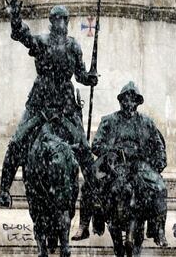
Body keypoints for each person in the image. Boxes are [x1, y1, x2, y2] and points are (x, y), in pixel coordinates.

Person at [0, 0, 99, 210]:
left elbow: (79, 75)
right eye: (57, 19)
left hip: (65, 103)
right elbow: (24, 37)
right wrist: (16, 19)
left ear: (67, 22)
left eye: (64, 19)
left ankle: (96, 192)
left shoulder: (74, 46)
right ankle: (4, 191)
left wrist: (89, 78)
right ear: (51, 22)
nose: (60, 23)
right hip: (40, 102)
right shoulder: (42, 42)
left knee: (82, 146)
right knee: (17, 142)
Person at [72, 81, 168, 247]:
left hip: (139, 164)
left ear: (138, 102)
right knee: (89, 183)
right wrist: (113, 150)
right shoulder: (109, 121)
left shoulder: (147, 122)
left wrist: (159, 163)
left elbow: (159, 146)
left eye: (132, 100)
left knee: (160, 188)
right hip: (113, 163)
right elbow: (96, 145)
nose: (128, 103)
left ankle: (158, 229)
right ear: (120, 101)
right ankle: (84, 225)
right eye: (125, 99)